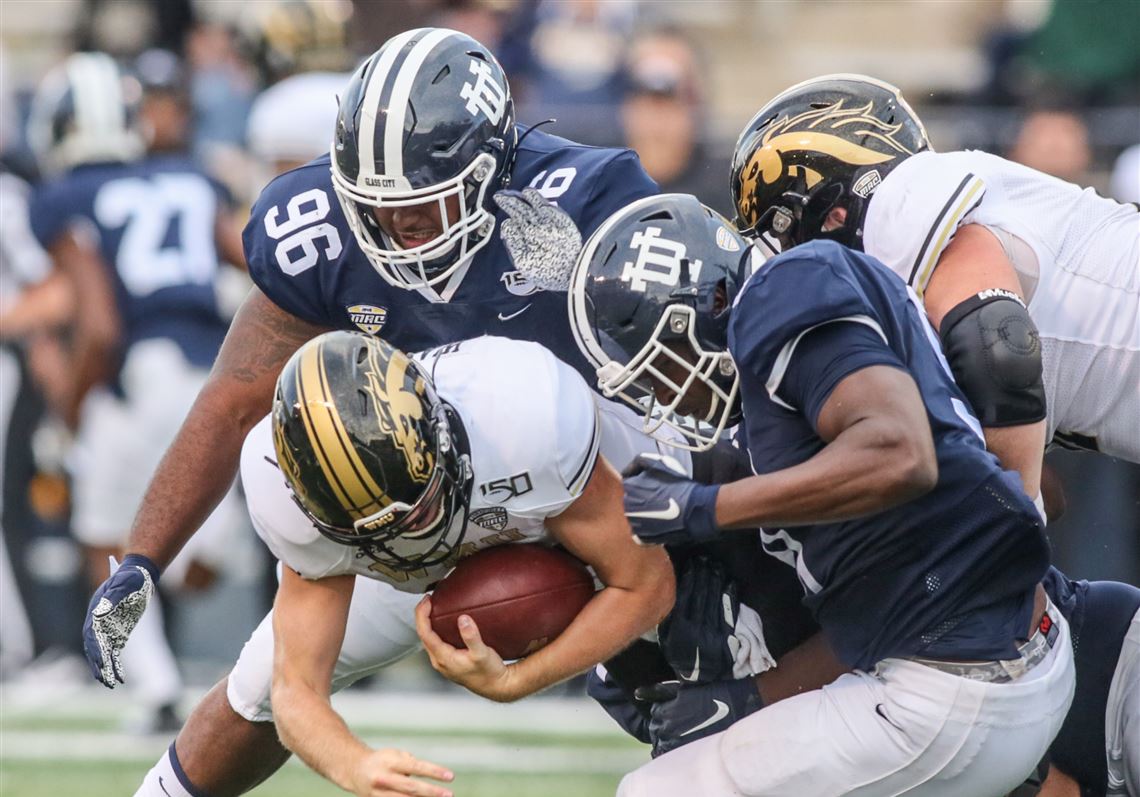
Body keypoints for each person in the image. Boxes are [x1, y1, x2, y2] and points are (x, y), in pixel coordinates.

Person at [100, 27, 661, 797]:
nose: (399, 228)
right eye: (376, 206)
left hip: (582, 466)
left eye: (423, 205)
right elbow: (235, 398)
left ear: (490, 168)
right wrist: (140, 558)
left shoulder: (580, 209)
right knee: (264, 679)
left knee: (696, 631)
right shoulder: (319, 230)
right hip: (411, 486)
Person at [567, 193, 1074, 796]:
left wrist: (701, 509)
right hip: (995, 657)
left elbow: (898, 453)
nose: (667, 396)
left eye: (662, 368)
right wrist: (745, 701)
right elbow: (889, 599)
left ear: (709, 304)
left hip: (958, 687)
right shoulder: (798, 393)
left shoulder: (782, 288)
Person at [234, 330, 673, 796]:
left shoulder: (521, 415)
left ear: (441, 436)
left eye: (419, 512)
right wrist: (354, 764)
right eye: (376, 530)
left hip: (569, 506)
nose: (409, 536)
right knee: (257, 682)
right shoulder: (284, 502)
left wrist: (515, 680)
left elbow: (645, 583)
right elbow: (294, 689)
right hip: (396, 575)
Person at [729, 74, 1140, 496]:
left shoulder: (899, 198)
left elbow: (1000, 343)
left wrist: (1012, 515)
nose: (786, 256)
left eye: (785, 231)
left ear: (830, 210)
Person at [26, 51, 246, 732]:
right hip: (214, 371)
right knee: (168, 538)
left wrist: (66, 411)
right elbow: (256, 260)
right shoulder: (187, 176)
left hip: (138, 376)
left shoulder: (66, 197)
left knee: (108, 539)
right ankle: (201, 561)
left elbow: (97, 325)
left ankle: (153, 683)